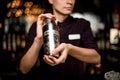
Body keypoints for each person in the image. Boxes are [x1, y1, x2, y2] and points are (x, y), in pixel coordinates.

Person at [19, 0, 101, 80]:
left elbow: (96, 58)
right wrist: (38, 39)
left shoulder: (82, 25)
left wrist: (69, 48)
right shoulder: (39, 26)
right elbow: (24, 68)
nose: (70, 2)